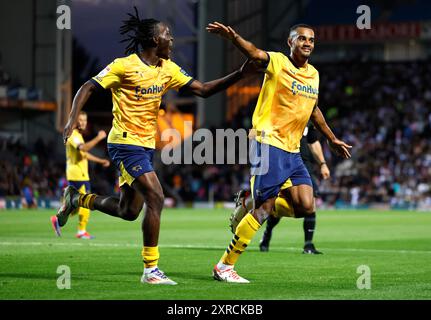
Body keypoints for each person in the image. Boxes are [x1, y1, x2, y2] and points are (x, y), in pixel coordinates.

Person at [52, 8, 252, 286]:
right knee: (156, 197)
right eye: (167, 35)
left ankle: (78, 199)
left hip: (146, 147)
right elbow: (87, 86)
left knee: (129, 212)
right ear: (154, 40)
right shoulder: (123, 66)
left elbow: (204, 89)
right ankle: (151, 270)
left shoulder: (166, 69)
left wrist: (241, 74)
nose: (172, 40)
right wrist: (72, 119)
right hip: (124, 143)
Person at [207, 22, 352, 283]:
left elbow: (315, 110)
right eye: (302, 39)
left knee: (305, 206)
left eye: (312, 40)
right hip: (268, 143)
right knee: (265, 210)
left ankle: (247, 202)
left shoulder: (314, 75)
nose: (308, 43)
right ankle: (224, 266)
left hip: (293, 150)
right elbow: (254, 53)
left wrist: (331, 138)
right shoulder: (277, 62)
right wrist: (233, 36)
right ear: (291, 43)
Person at [232, 123, 330, 254]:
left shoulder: (307, 115)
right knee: (274, 201)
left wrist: (323, 164)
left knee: (309, 205)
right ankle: (256, 211)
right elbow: (252, 133)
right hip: (279, 162)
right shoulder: (276, 111)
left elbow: (313, 141)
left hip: (303, 166)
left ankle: (308, 245)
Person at [51, 111, 110, 239]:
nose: (83, 122)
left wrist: (101, 161)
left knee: (76, 205)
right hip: (76, 175)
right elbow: (83, 148)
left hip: (81, 174)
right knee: (86, 202)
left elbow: (84, 154)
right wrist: (98, 138)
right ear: (75, 121)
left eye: (85, 120)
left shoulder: (78, 135)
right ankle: (81, 231)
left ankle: (58, 218)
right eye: (81, 120)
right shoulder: (73, 135)